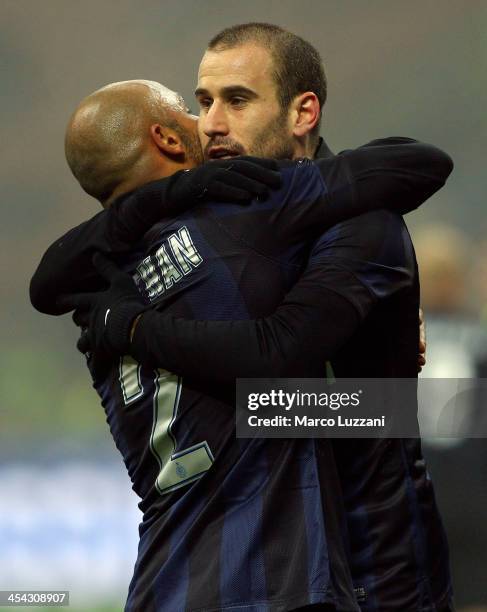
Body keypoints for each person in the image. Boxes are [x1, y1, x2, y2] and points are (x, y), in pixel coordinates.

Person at [30, 25, 454, 612]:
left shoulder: (358, 224)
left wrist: (135, 329)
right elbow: (288, 380)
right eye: (202, 102)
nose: (210, 124)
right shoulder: (224, 226)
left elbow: (287, 366)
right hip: (287, 568)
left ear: (303, 112)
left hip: (375, 567)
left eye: (236, 100)